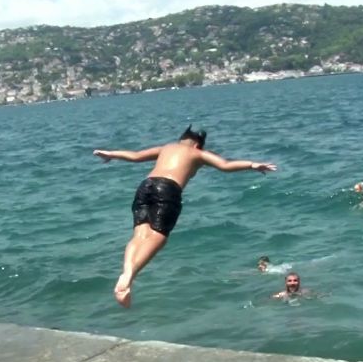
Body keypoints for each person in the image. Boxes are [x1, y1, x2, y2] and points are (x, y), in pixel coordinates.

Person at [94, 125, 278, 307]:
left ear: (181, 140)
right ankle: (129, 276)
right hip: (167, 190)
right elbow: (225, 165)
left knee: (140, 235)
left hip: (145, 186)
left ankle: (125, 272)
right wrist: (252, 165)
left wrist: (111, 154)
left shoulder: (165, 148)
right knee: (158, 237)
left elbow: (135, 156)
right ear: (198, 145)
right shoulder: (197, 154)